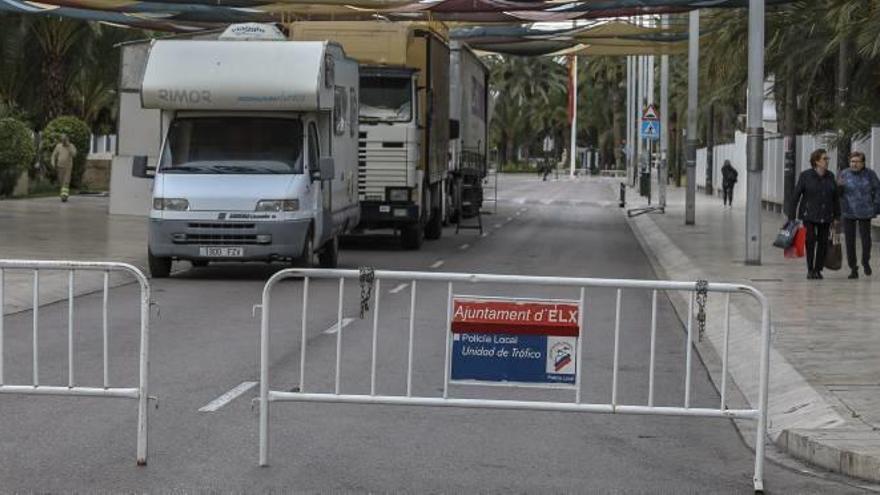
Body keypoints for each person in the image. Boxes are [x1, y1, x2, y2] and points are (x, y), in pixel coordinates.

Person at [788, 148, 840, 280]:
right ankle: (810, 269)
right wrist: (791, 217)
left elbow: (835, 198)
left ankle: (818, 269)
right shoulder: (805, 176)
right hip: (808, 214)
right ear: (816, 161)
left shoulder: (830, 176)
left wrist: (837, 217)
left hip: (826, 214)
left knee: (823, 242)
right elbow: (795, 196)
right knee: (810, 241)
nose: (827, 161)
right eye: (824, 159)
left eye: (827, 159)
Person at [836, 151, 880, 279]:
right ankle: (853, 268)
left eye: (857, 162)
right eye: (852, 162)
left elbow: (878, 190)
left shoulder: (870, 174)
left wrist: (876, 206)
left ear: (863, 163)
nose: (854, 164)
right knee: (849, 241)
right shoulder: (844, 173)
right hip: (848, 211)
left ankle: (865, 261)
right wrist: (838, 186)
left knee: (866, 240)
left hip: (865, 211)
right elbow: (837, 193)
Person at [51, 134, 77, 202]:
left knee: (66, 181)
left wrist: (68, 147)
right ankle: (63, 194)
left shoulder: (71, 146)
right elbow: (53, 155)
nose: (63, 141)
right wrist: (53, 162)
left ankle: (64, 196)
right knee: (61, 182)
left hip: (68, 167)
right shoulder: (58, 146)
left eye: (65, 140)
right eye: (62, 140)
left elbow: (74, 154)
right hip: (60, 166)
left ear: (67, 139)